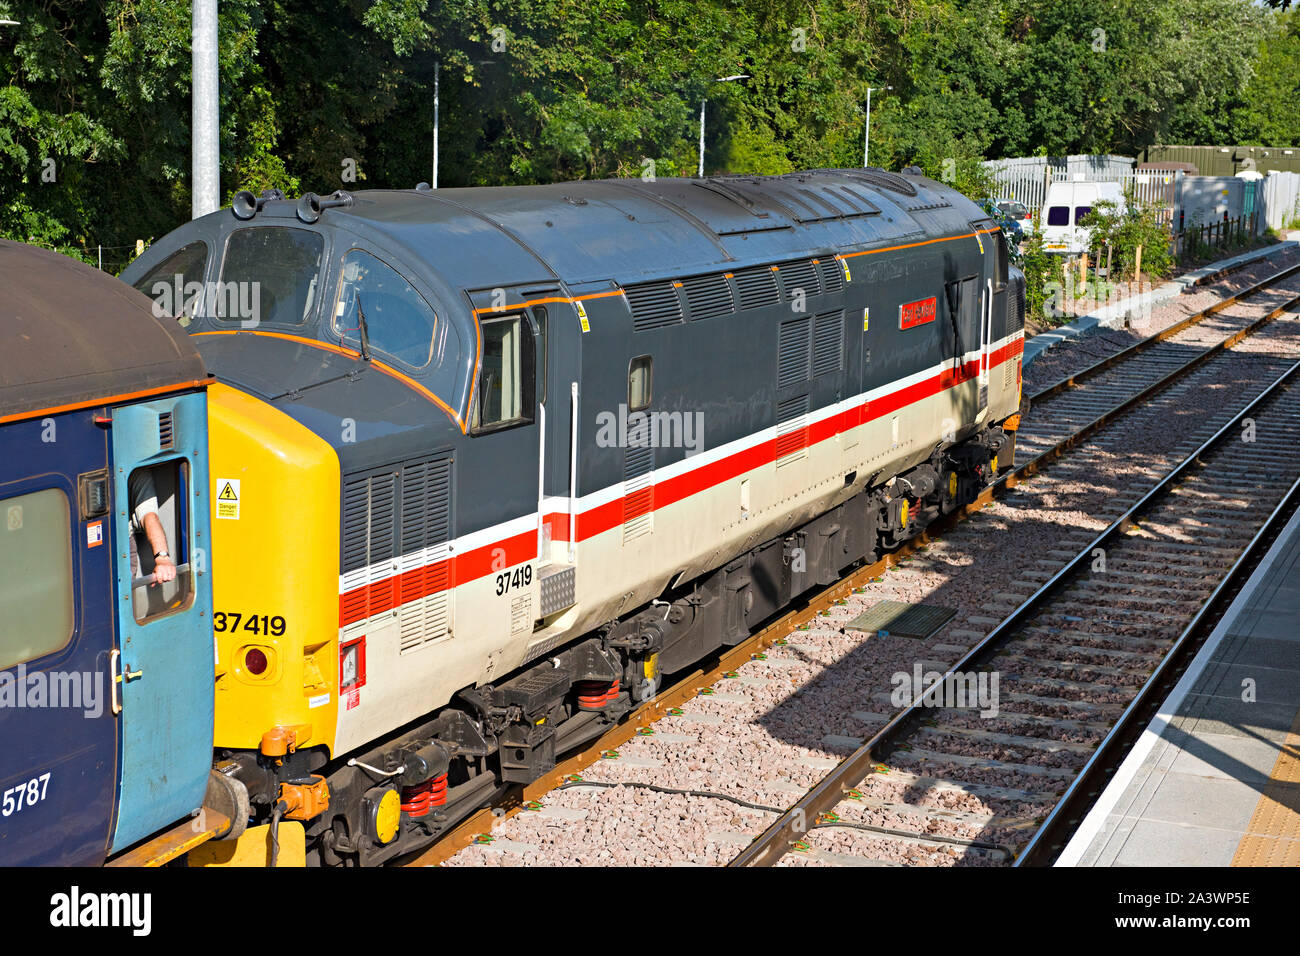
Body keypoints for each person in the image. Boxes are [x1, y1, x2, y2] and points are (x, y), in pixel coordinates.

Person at [128, 467, 176, 585]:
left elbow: (149, 517)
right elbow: (149, 516)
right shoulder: (137, 469)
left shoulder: (136, 471)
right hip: (122, 545)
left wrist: (162, 557)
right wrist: (162, 558)